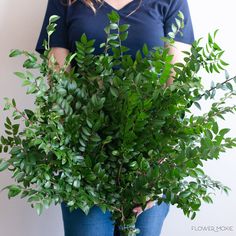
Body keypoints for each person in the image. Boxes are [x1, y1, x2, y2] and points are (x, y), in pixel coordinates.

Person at [35, 0, 195, 235]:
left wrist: (157, 172)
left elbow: (176, 87)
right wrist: (75, 157)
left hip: (148, 159)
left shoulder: (171, 2)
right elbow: (59, 86)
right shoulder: (65, 2)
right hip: (85, 158)